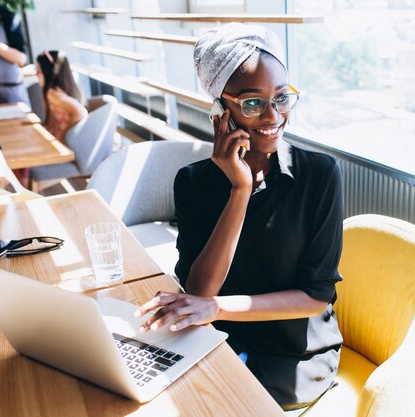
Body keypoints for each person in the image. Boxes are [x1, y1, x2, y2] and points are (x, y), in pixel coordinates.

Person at [134, 23, 344, 411]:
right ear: (220, 110)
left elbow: (317, 297)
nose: (272, 115)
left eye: (282, 97)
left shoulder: (320, 174)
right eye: (252, 103)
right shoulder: (193, 182)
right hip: (217, 341)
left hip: (293, 355)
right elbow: (200, 290)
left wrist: (217, 309)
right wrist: (239, 191)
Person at [35, 50, 87, 143]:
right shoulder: (63, 90)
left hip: (59, 146)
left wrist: (63, 138)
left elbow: (80, 112)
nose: (36, 74)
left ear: (48, 72)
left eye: (39, 71)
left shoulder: (52, 94)